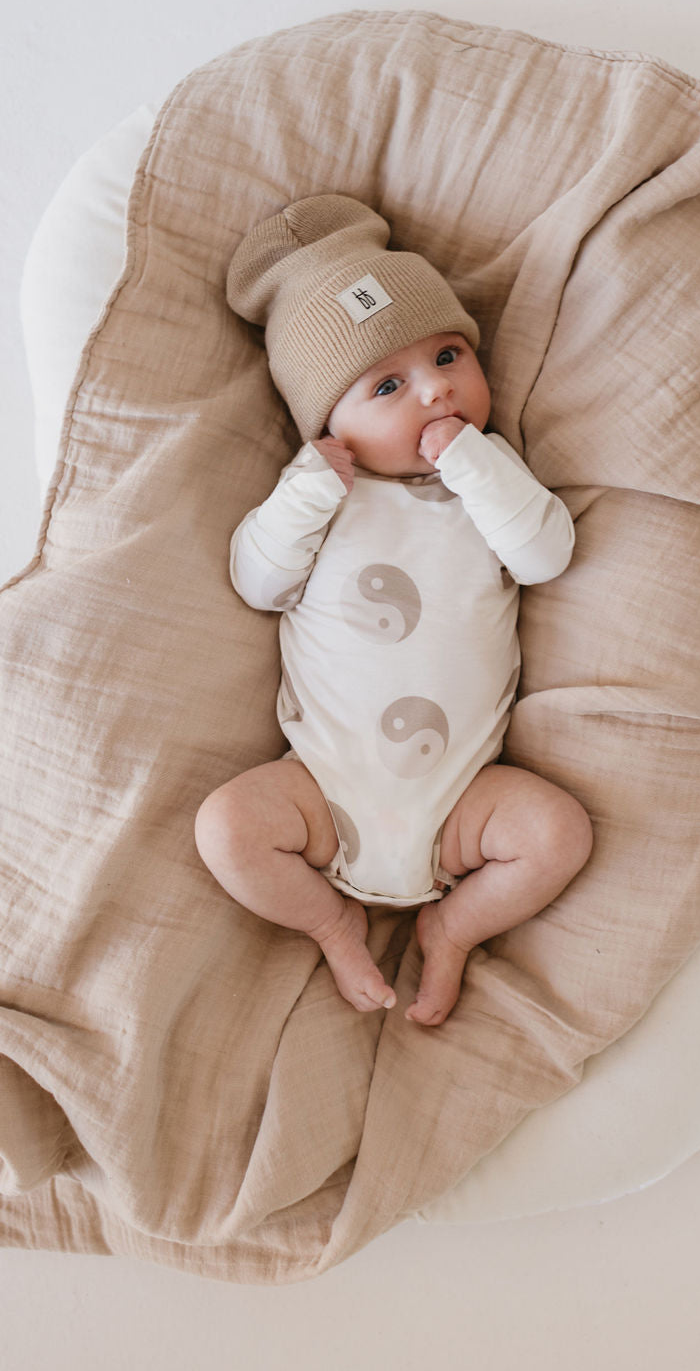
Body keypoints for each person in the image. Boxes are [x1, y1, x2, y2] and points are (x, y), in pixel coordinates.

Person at [195, 194, 593, 1026]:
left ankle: (453, 927)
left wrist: (477, 467)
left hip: (461, 803)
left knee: (557, 832)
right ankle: (331, 923)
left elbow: (546, 553)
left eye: (449, 355)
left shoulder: (487, 485)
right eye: (388, 385)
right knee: (227, 826)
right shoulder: (322, 497)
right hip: (322, 793)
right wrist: (305, 492)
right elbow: (256, 582)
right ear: (328, 424)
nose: (437, 390)